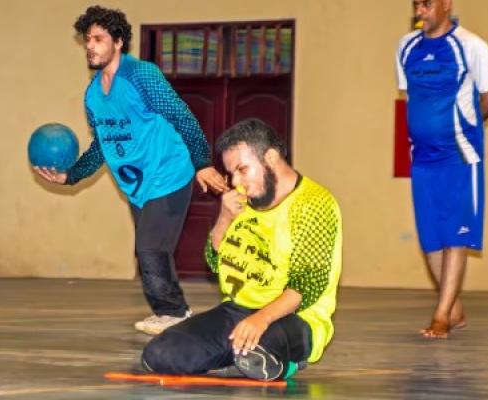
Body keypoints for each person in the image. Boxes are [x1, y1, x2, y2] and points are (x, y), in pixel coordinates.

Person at [33, 5, 227, 335]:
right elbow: (101, 146)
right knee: (154, 249)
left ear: (118, 41)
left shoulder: (141, 75)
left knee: (149, 247)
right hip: (137, 186)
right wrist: (71, 176)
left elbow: (181, 115)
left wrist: (202, 162)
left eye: (98, 39)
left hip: (169, 173)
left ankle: (173, 312)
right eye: (87, 40)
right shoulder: (93, 95)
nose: (90, 46)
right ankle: (174, 311)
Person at [141, 119, 342, 381]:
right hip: (238, 310)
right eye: (231, 173)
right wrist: (224, 218)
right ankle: (237, 353)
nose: (236, 181)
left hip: (295, 315)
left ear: (270, 158)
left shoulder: (314, 204)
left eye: (242, 169)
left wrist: (261, 319)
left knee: (258, 353)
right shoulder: (244, 200)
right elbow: (215, 261)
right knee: (158, 355)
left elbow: (308, 285)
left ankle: (284, 360)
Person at [396, 0, 488, 339]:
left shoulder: (471, 46)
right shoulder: (406, 47)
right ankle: (454, 310)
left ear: (445, 4)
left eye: (426, 4)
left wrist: (463, 128)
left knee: (455, 235)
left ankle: (441, 316)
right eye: (416, 5)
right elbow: (413, 98)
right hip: (422, 158)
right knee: (431, 240)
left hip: (459, 156)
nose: (420, 11)